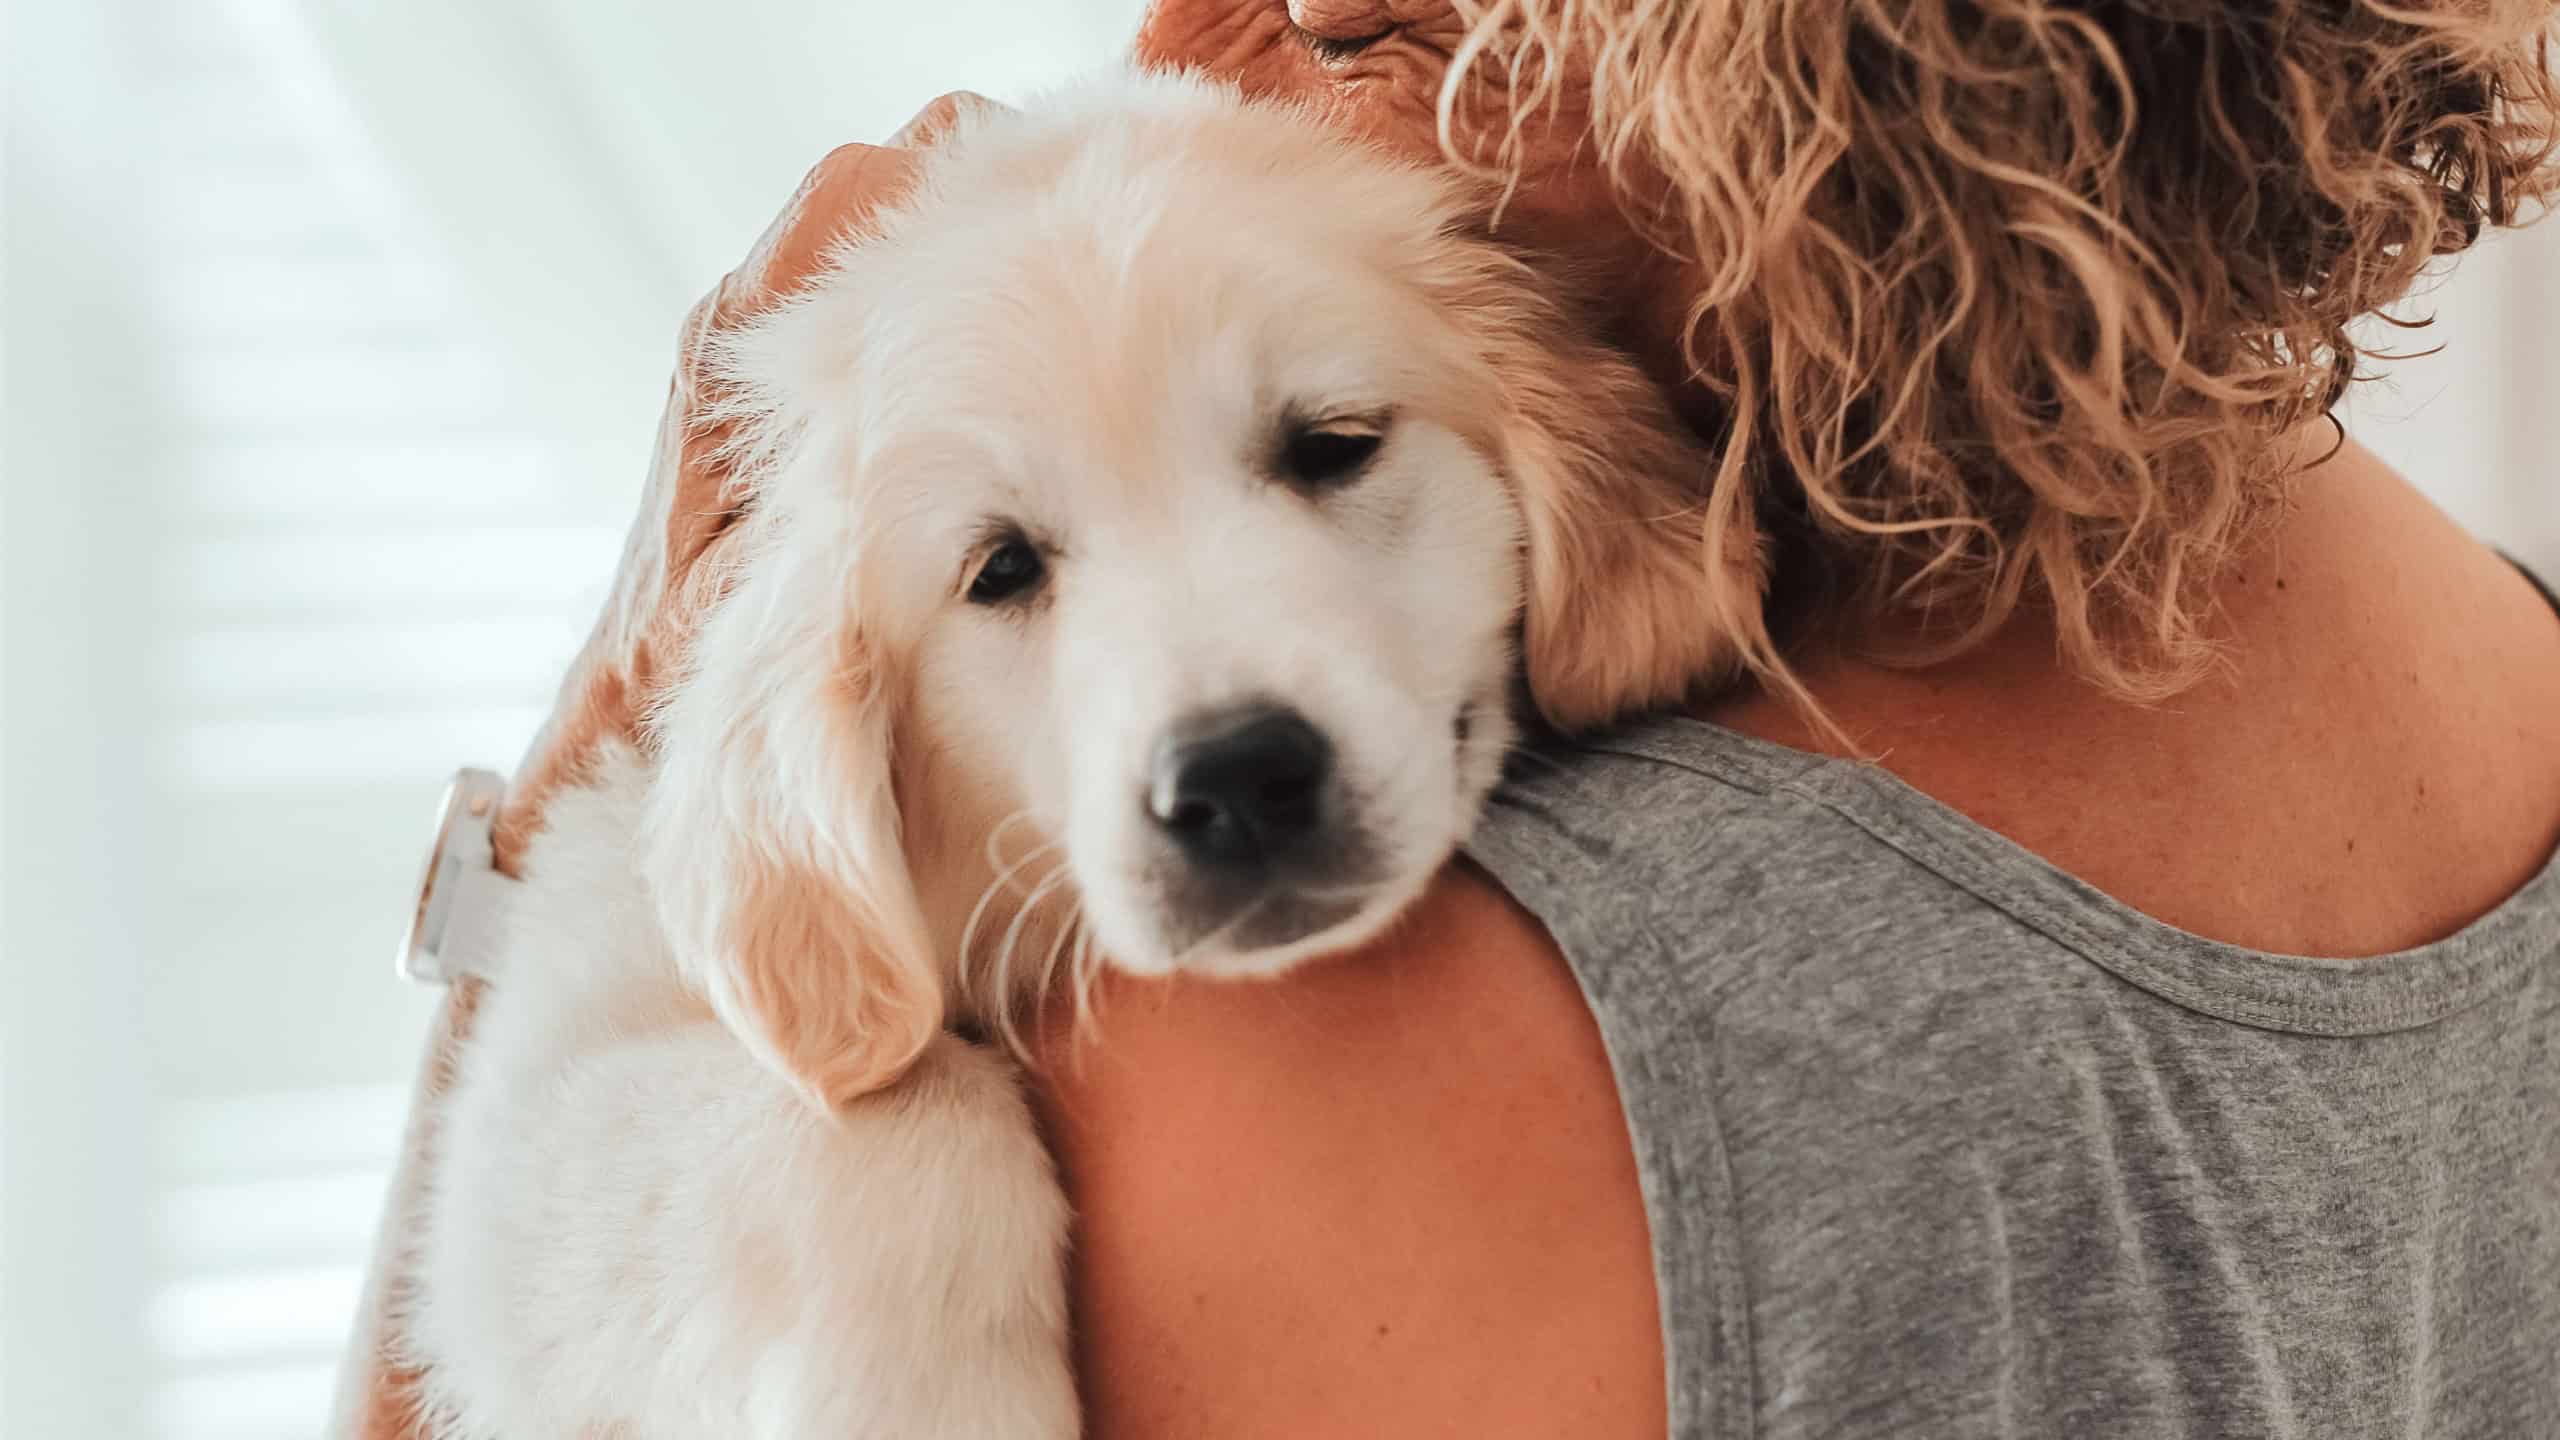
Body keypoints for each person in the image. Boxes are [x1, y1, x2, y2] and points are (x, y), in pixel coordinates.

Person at [339, 1, 2560, 1435]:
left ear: (1799, 72)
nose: (1188, 48)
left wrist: (603, 725)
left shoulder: (1351, 1047)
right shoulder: (2504, 653)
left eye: (1364, 12)